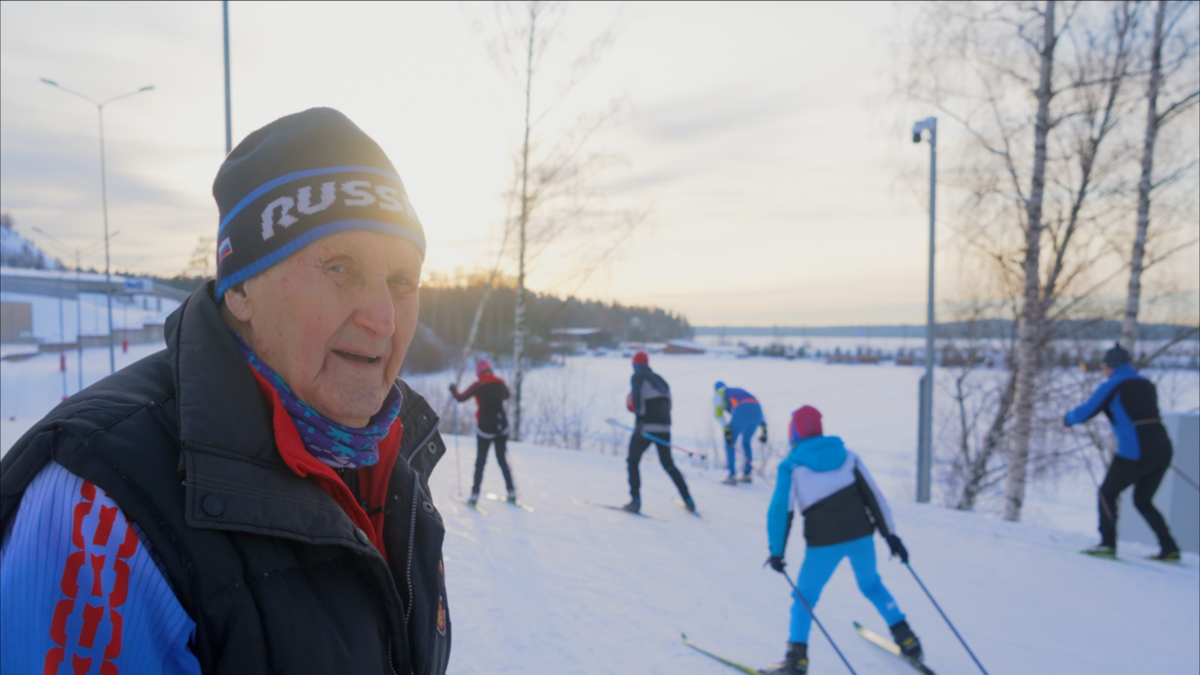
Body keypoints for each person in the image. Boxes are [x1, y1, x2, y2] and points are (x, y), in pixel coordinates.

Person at [0, 109, 451, 674]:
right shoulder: (103, 506)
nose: (383, 319)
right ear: (239, 288)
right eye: (339, 266)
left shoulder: (389, 457)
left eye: (402, 281)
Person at [763, 405, 920, 675]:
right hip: (861, 537)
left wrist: (777, 552)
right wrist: (891, 537)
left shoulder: (792, 466)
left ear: (794, 432)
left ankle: (796, 660)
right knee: (871, 585)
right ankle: (906, 638)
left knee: (804, 598)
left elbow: (780, 511)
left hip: (824, 545)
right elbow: (874, 498)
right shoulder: (848, 457)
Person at [1066, 344, 1180, 562]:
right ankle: (1170, 547)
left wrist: (1067, 418)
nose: (1103, 371)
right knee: (1143, 500)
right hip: (1162, 449)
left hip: (1135, 451)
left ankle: (1107, 544)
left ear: (1110, 367)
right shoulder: (1146, 383)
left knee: (1106, 494)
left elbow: (1086, 411)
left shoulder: (1112, 385)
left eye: (1104, 366)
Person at [622, 351, 695, 513]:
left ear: (634, 364)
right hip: (665, 427)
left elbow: (637, 399)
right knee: (668, 464)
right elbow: (669, 405)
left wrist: (640, 422)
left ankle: (635, 501)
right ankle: (688, 499)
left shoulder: (638, 376)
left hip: (646, 427)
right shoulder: (661, 379)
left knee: (633, 461)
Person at [450, 359, 516, 505]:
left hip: (485, 428)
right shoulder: (499, 381)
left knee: (480, 462)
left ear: (478, 372)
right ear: (490, 369)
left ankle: (474, 495)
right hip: (501, 427)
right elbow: (507, 395)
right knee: (502, 460)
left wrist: (453, 389)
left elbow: (461, 398)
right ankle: (511, 491)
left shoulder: (478, 385)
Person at [714, 381, 767, 484]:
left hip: (742, 409)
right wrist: (765, 429)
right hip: (757, 410)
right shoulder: (736, 390)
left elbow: (718, 413)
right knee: (746, 442)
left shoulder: (719, 393)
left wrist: (726, 430)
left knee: (730, 442)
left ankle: (732, 474)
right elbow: (753, 403)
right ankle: (747, 474)